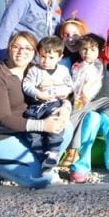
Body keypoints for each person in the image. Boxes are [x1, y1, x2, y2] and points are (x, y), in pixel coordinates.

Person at [0, 31, 71, 188]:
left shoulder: (35, 70)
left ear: (34, 52)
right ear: (9, 47)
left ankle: (44, 161)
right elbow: (3, 118)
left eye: (28, 48)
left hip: (26, 131)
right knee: (38, 180)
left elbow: (63, 93)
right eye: (16, 46)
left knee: (66, 126)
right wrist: (44, 126)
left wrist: (65, 108)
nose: (22, 52)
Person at [64, 31, 109, 183]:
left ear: (99, 51)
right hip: (86, 105)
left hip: (104, 103)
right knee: (91, 119)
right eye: (84, 49)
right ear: (79, 50)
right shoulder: (75, 63)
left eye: (92, 50)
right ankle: (78, 161)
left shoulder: (102, 63)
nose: (88, 53)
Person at [21, 35, 73, 177]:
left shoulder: (63, 71)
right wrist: (38, 93)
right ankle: (40, 155)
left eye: (50, 58)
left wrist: (63, 91)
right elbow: (26, 85)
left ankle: (53, 152)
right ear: (38, 55)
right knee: (33, 132)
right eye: (42, 56)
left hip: (53, 104)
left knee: (56, 124)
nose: (45, 61)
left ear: (60, 57)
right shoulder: (34, 70)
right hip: (37, 106)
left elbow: (69, 86)